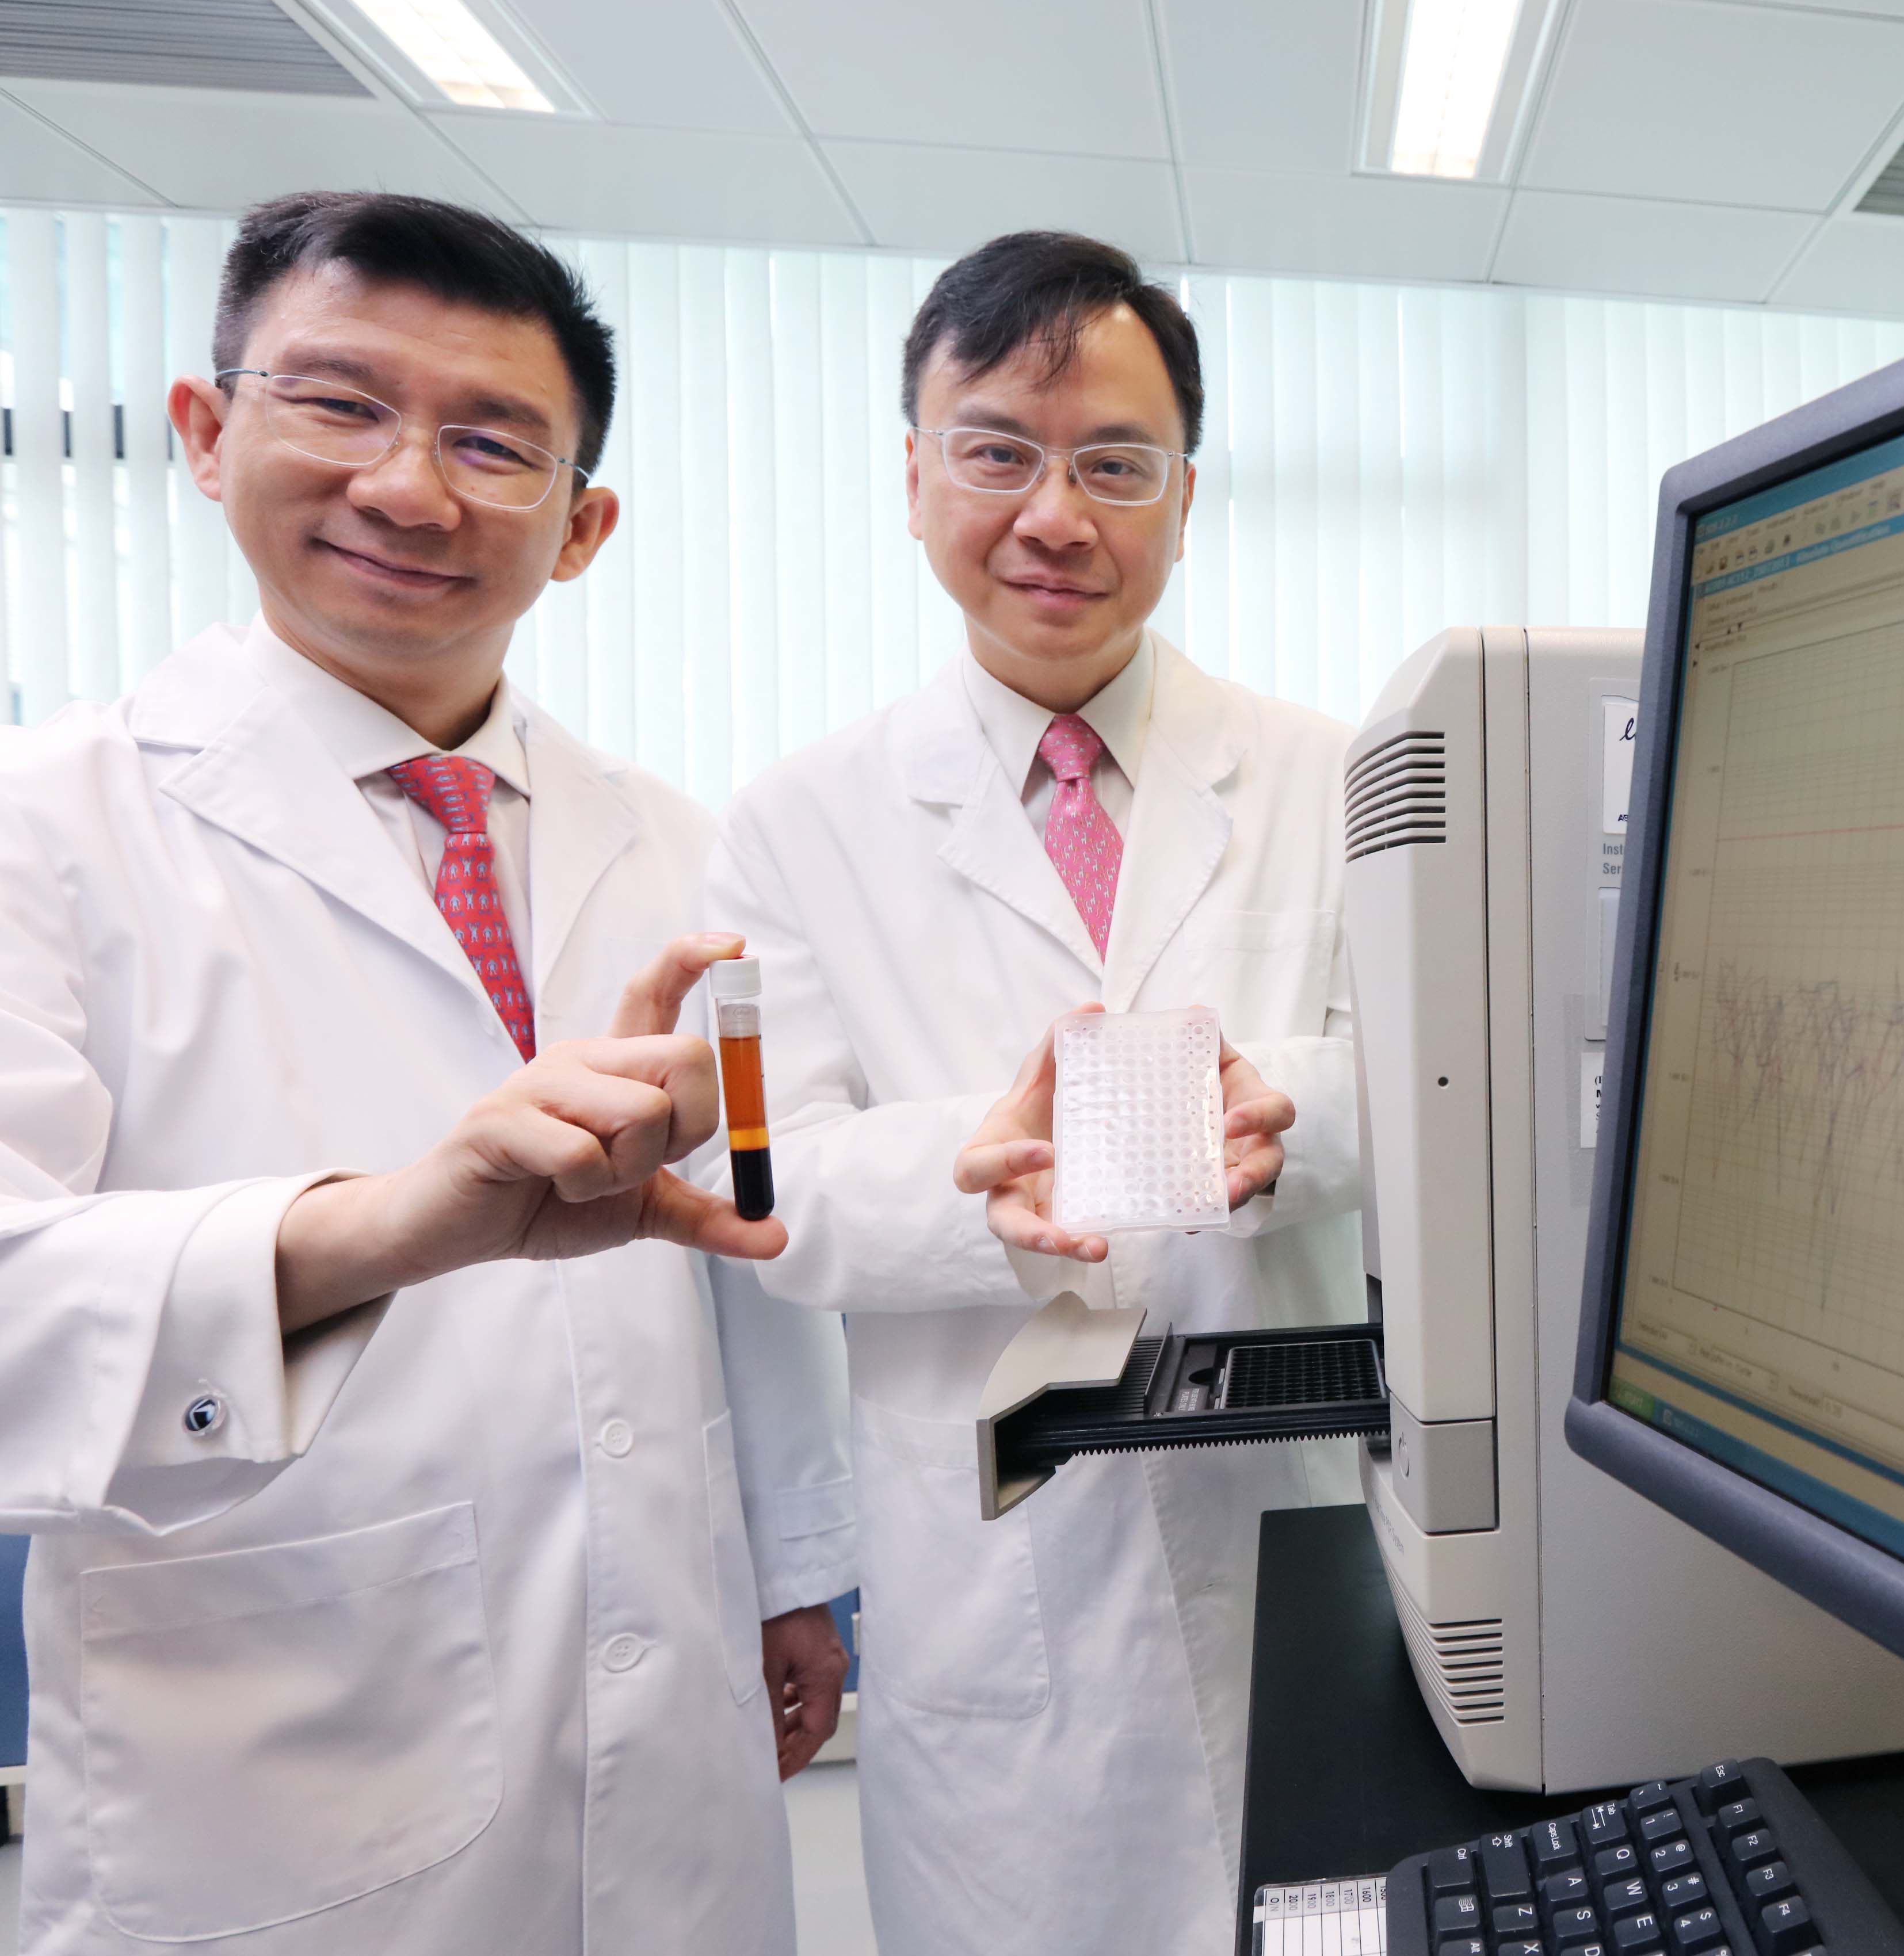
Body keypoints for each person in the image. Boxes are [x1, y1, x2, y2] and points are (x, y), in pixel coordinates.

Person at [0, 192, 854, 1954]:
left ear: (584, 525)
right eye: (338, 404)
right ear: (204, 430)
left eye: (493, 443)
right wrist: (390, 1226)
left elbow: (747, 1223)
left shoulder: (688, 843)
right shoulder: (46, 824)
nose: (409, 487)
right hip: (274, 1767)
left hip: (676, 1708)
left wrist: (795, 1575)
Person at [707, 232, 1361, 1955]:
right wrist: (971, 1176)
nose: (1053, 515)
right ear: (914, 477)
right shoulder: (795, 822)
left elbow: (1442, 1077)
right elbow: (772, 1186)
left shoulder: (1334, 775)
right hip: (1001, 1574)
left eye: (1113, 465)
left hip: (1297, 1516)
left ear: (1185, 495)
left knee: (1335, 1911)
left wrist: (1284, 1107)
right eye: (995, 450)